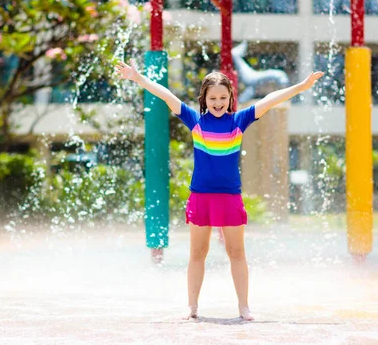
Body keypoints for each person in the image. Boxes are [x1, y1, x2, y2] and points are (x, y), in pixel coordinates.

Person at [115, 60, 324, 321]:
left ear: (230, 98)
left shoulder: (239, 120)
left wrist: (302, 86)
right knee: (197, 254)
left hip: (229, 197)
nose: (218, 102)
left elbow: (270, 99)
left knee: (237, 253)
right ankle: (192, 307)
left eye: (223, 97)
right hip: (201, 197)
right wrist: (139, 79)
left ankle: (244, 307)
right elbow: (167, 96)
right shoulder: (195, 121)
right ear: (204, 98)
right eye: (213, 98)